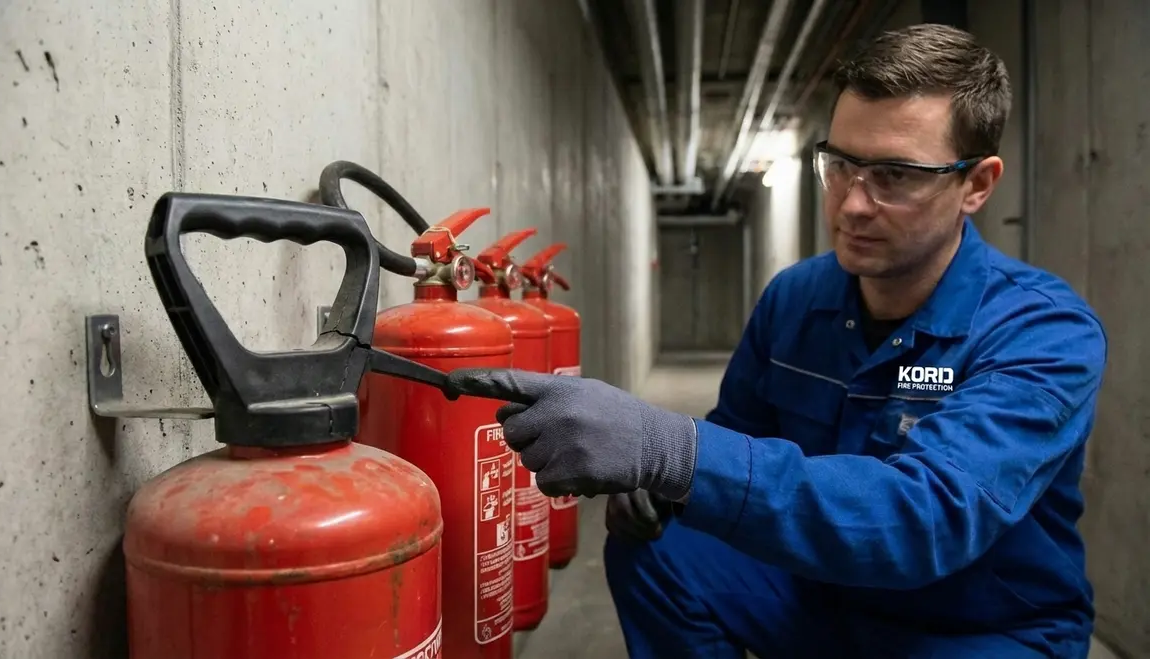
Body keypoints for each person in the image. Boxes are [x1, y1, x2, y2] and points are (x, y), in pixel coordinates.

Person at [447, 23, 1107, 659]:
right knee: (658, 552)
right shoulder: (796, 300)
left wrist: (672, 449)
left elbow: (921, 516)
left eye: (896, 176)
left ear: (977, 184)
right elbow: (740, 433)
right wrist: (659, 482)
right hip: (826, 596)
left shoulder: (1043, 333)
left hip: (980, 629)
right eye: (841, 164)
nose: (851, 203)